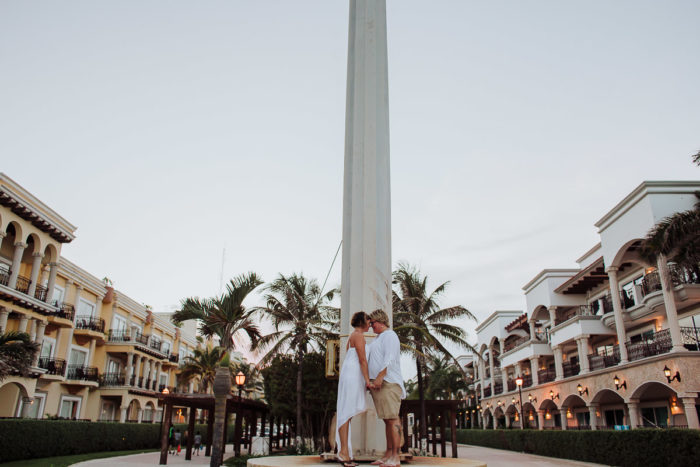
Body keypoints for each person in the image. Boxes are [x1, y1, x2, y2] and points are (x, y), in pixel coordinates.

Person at [367, 309, 405, 467]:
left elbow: (389, 358)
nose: (371, 326)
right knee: (387, 420)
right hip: (379, 384)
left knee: (393, 419)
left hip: (388, 382)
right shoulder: (378, 338)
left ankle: (396, 457)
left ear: (380, 321)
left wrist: (380, 378)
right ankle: (388, 454)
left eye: (372, 323)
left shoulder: (390, 336)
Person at [335, 311, 372, 467]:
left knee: (346, 412)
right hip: (353, 375)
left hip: (351, 373)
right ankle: (343, 452)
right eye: (368, 320)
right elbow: (362, 360)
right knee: (346, 413)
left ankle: (344, 451)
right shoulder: (358, 335)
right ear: (362, 321)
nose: (370, 322)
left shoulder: (353, 336)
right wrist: (367, 380)